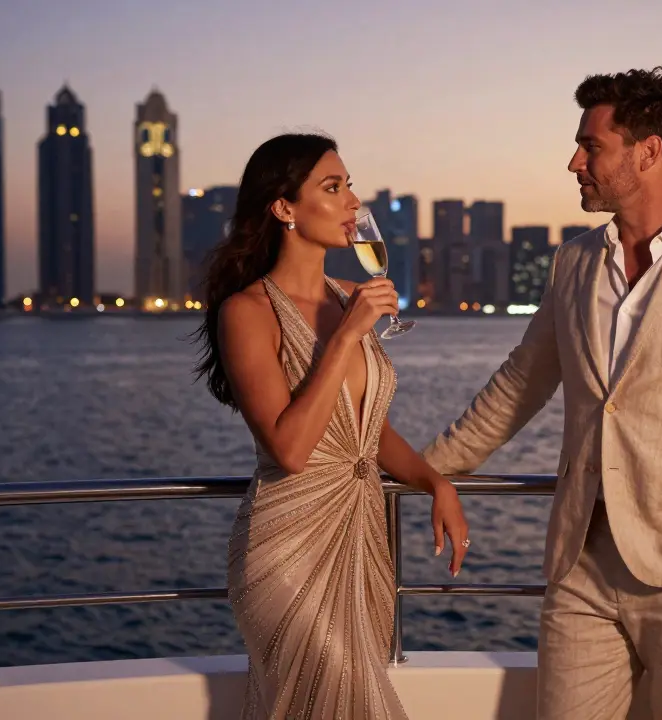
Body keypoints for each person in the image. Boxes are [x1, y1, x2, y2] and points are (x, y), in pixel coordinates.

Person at [421, 67, 662, 719]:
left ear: (648, 151)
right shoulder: (574, 262)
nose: (573, 162)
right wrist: (421, 467)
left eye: (591, 146)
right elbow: (520, 384)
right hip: (581, 562)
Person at [193, 132, 470, 719]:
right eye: (333, 186)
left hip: (363, 537)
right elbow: (289, 449)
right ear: (284, 208)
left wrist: (434, 481)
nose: (353, 201)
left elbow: (367, 431)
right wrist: (347, 336)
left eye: (349, 185)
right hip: (287, 548)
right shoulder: (247, 312)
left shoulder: (351, 296)